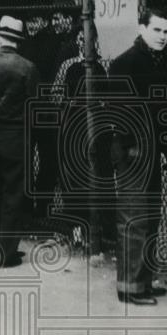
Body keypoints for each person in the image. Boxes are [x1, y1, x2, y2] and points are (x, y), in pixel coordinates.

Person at [107, 7, 167, 306]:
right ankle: (130, 288)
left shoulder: (154, 61)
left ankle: (143, 282)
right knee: (134, 219)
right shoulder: (126, 62)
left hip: (149, 147)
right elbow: (118, 110)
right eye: (157, 30)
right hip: (132, 149)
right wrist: (130, 146)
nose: (162, 36)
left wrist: (165, 149)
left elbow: (158, 112)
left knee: (150, 218)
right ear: (141, 29)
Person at [0, 16, 39, 267]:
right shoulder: (28, 68)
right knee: (13, 194)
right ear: (18, 42)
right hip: (16, 135)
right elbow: (35, 106)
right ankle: (7, 251)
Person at [51, 25, 113, 251]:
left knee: (101, 180)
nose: (84, 42)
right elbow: (55, 94)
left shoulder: (103, 65)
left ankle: (103, 233)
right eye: (80, 38)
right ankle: (78, 231)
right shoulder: (68, 66)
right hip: (74, 130)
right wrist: (70, 105)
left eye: (88, 38)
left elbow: (112, 97)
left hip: (99, 132)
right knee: (75, 183)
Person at [20, 9, 62, 221]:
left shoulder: (49, 42)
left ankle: (38, 206)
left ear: (44, 21)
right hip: (36, 107)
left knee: (45, 159)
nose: (31, 25)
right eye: (28, 21)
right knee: (38, 159)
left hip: (41, 107)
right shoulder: (27, 42)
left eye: (35, 20)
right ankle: (36, 207)